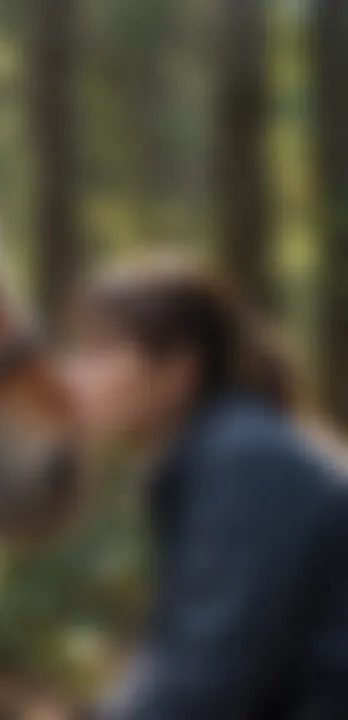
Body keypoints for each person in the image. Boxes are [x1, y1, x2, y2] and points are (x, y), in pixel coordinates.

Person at [66, 254, 348, 720]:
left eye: (102, 352)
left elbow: (210, 682)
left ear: (178, 372)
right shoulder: (214, 457)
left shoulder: (247, 462)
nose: (75, 375)